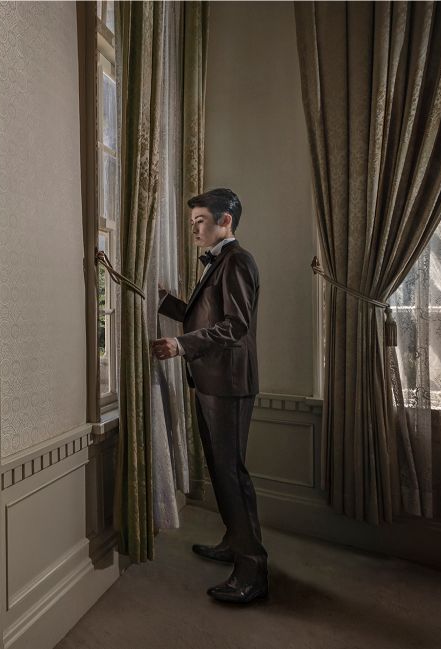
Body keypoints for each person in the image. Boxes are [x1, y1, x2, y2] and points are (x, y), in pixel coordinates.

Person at [152, 188, 268, 604]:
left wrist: (180, 345)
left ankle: (252, 571)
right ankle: (234, 543)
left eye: (200, 220)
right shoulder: (219, 262)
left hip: (229, 385)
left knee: (231, 473)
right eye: (192, 222)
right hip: (211, 382)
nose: (194, 229)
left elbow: (235, 325)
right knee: (221, 471)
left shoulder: (238, 261)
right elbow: (204, 315)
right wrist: (162, 300)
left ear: (225, 221)